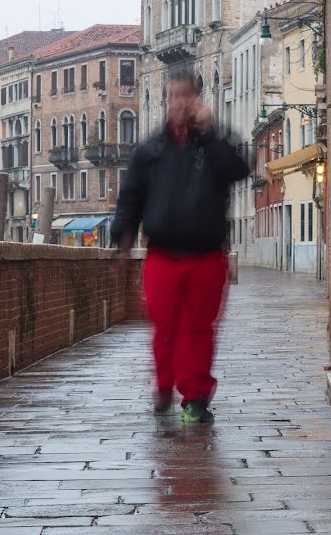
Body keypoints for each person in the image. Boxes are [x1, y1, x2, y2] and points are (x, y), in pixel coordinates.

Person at [111, 70, 249, 423]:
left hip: (207, 253)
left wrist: (212, 132)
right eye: (175, 96)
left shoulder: (215, 145)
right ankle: (164, 386)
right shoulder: (150, 150)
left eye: (187, 95)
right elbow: (130, 198)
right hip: (162, 254)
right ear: (167, 100)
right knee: (164, 326)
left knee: (199, 329)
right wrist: (123, 240)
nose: (181, 103)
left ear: (198, 99)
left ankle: (195, 397)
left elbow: (239, 169)